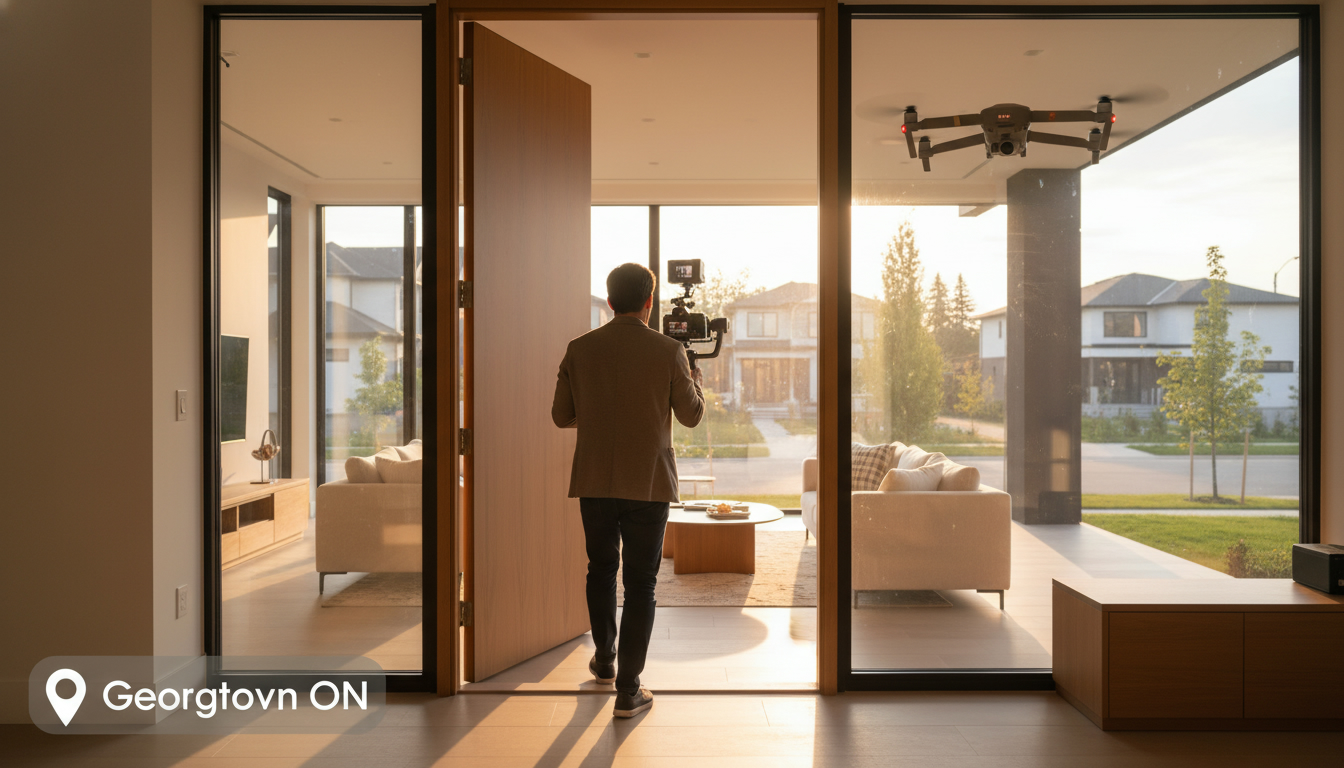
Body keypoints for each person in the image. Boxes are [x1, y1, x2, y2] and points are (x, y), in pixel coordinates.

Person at [551, 262, 705, 718]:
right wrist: (695, 381)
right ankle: (628, 690)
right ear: (649, 302)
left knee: (600, 570)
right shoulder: (669, 349)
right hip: (649, 483)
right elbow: (691, 416)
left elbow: (562, 416)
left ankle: (604, 660)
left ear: (610, 299)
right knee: (641, 584)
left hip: (595, 479)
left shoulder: (580, 349)